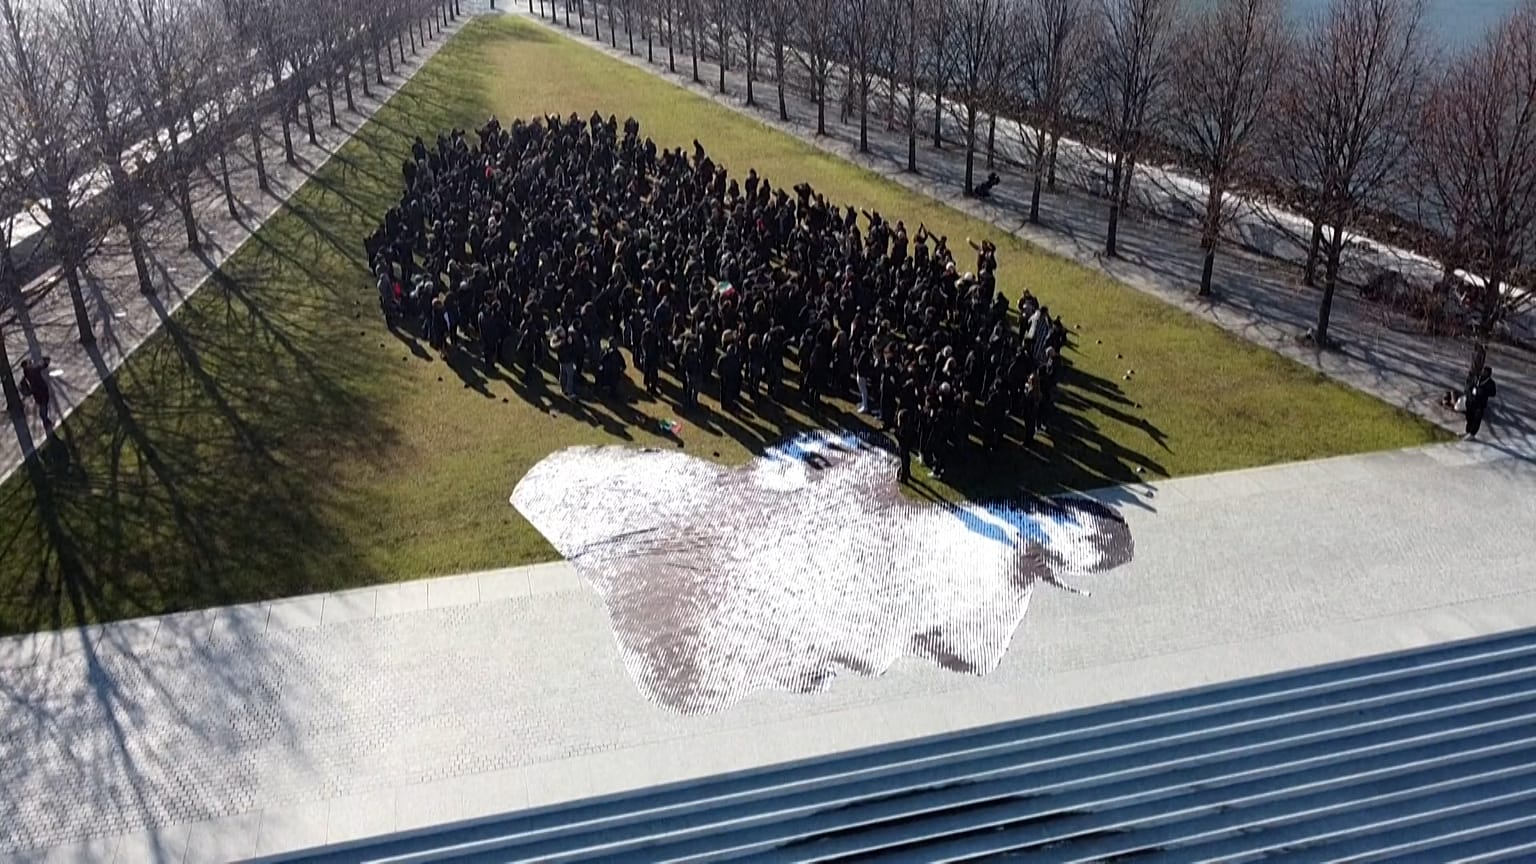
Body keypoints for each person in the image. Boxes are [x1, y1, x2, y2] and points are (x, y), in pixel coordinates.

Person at [20, 357, 53, 432]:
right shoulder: (33, 371)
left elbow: (43, 366)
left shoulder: (27, 373)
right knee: (43, 411)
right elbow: (43, 366)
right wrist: (46, 361)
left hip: (39, 394)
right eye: (29, 363)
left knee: (43, 411)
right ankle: (47, 424)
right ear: (27, 366)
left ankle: (47, 424)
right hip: (42, 392)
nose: (31, 363)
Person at [1464, 366, 1497, 440]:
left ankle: (1472, 434)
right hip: (1471, 400)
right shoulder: (1476, 378)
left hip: (1480, 403)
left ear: (1488, 374)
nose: (1483, 373)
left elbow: (1493, 393)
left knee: (1476, 419)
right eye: (1483, 371)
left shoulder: (1490, 383)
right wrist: (1469, 392)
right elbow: (1470, 385)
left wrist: (1484, 391)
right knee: (1469, 417)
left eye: (1485, 372)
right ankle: (1467, 431)